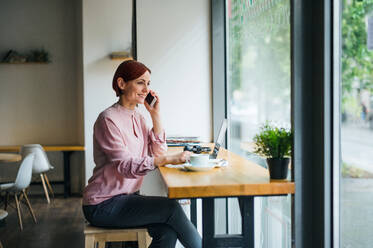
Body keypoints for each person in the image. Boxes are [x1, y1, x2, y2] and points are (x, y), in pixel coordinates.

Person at [82, 60, 202, 248]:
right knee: (171, 208)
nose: (146, 89)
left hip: (128, 197)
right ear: (121, 84)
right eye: (140, 82)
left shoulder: (138, 117)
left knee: (168, 229)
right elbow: (126, 166)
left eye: (148, 83)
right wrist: (169, 159)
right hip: (102, 204)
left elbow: (158, 151)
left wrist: (155, 115)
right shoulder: (108, 119)